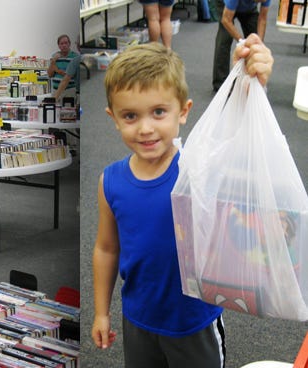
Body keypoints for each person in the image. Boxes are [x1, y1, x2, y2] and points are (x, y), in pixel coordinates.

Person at [91, 34, 273, 367]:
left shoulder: (199, 169)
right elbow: (106, 248)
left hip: (194, 323)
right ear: (113, 118)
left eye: (159, 111)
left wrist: (248, 87)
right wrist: (101, 312)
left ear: (183, 111)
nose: (145, 128)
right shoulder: (110, 181)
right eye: (130, 116)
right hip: (138, 321)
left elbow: (241, 150)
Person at [212, 0, 270, 91]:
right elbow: (226, 20)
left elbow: (262, 18)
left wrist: (259, 42)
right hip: (225, 5)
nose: (260, 2)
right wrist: (241, 40)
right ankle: (221, 83)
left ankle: (253, 78)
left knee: (254, 38)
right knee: (225, 38)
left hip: (247, 8)